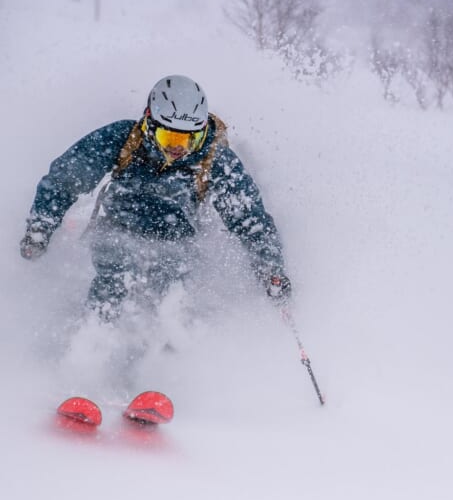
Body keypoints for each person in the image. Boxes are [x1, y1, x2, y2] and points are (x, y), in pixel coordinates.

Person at [19, 74, 291, 321]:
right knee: (114, 281)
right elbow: (64, 180)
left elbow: (248, 216)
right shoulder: (123, 138)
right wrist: (41, 227)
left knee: (169, 294)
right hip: (118, 229)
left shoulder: (215, 158)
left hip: (178, 240)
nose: (177, 149)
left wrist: (270, 266)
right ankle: (93, 347)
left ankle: (162, 357)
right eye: (168, 136)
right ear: (150, 122)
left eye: (188, 140)